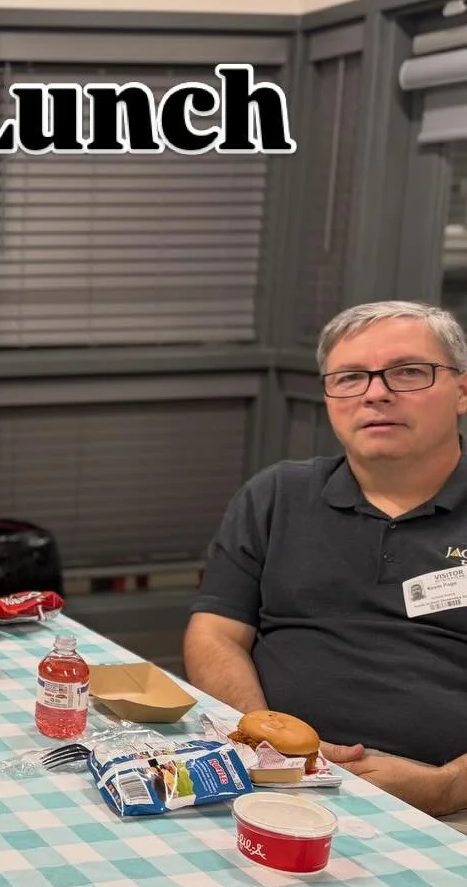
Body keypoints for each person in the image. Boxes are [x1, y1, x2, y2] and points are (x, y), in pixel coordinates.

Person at [185, 300, 467, 820]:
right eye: (351, 377)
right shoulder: (277, 495)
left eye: (407, 372)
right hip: (261, 769)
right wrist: (263, 735)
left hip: (447, 802)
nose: (376, 393)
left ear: (462, 390)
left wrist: (448, 786)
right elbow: (215, 634)